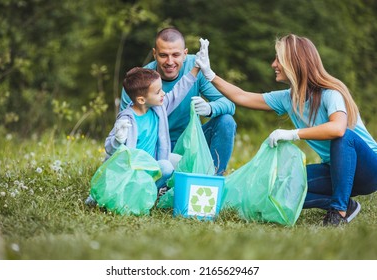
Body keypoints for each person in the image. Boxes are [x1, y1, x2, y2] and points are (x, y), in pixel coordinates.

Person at [195, 35, 377, 226]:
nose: (274, 64)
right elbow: (242, 96)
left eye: (279, 59)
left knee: (344, 137)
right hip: (336, 173)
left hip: (369, 170)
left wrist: (293, 134)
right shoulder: (288, 98)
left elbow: (338, 128)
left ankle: (338, 214)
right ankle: (345, 205)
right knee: (278, 187)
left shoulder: (330, 94)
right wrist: (210, 75)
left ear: (296, 62)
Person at [120, 27, 237, 175]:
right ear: (154, 54)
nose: (170, 62)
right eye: (163, 55)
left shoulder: (197, 66)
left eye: (176, 55)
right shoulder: (140, 83)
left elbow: (229, 104)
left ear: (185, 54)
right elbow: (127, 128)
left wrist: (210, 108)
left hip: (191, 142)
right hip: (155, 149)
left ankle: (212, 181)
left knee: (226, 121)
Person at [85, 63, 199, 206]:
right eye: (158, 92)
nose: (163, 94)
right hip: (133, 172)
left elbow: (178, 92)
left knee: (182, 162)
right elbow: (110, 149)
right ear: (141, 99)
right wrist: (117, 140)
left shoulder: (158, 108)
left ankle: (154, 191)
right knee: (166, 166)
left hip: (152, 165)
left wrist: (196, 69)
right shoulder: (126, 120)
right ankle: (133, 194)